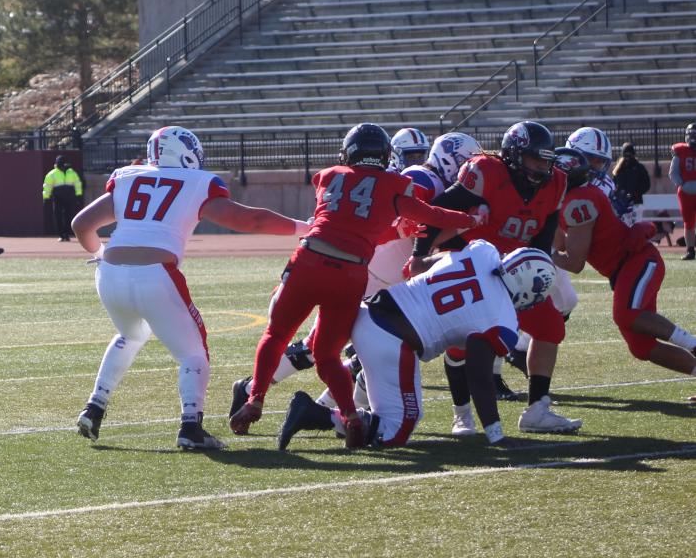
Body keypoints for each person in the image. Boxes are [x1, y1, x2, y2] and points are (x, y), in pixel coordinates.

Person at [231, 124, 477, 445]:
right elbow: (430, 215)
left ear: (349, 153)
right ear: (386, 155)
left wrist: (395, 231)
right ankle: (348, 414)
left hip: (309, 259)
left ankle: (255, 398)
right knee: (328, 355)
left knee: (277, 334)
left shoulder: (328, 175)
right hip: (351, 272)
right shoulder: (395, 184)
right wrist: (471, 219)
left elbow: (343, 222)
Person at [72, 126, 308, 451]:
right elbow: (250, 221)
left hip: (109, 274)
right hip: (157, 273)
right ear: (187, 153)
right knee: (193, 352)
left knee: (130, 335)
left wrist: (99, 253)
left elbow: (81, 225)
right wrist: (304, 227)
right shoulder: (197, 182)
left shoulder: (127, 177)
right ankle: (191, 427)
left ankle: (94, 408)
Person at [278, 242, 554, 451]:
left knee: (383, 390)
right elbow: (479, 375)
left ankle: (353, 403)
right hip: (392, 339)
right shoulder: (503, 319)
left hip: (369, 309)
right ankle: (317, 414)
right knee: (397, 431)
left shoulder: (483, 251)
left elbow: (421, 265)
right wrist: (495, 434)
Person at [412, 120, 579, 435]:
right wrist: (418, 255)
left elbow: (544, 236)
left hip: (515, 271)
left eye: (546, 160)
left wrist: (537, 266)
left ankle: (538, 409)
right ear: (515, 155)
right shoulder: (487, 172)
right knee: (462, 343)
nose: (542, 167)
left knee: (550, 326)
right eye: (535, 159)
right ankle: (462, 415)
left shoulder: (555, 182)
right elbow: (437, 210)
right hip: (472, 267)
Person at [555, 147, 696, 386]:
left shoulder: (579, 200)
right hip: (625, 269)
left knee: (627, 314)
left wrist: (536, 253)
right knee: (641, 346)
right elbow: (559, 243)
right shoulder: (569, 200)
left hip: (638, 261)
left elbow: (574, 262)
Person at [42, 155, 84, 242]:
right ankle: (61, 235)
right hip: (57, 198)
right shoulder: (52, 174)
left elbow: (77, 184)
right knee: (58, 216)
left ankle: (67, 234)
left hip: (69, 197)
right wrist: (46, 197)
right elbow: (47, 186)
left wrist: (78, 196)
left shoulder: (72, 173)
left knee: (68, 216)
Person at [670, 123, 696, 260]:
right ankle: (690, 250)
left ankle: (690, 250)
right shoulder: (680, 151)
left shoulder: (680, 151)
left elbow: (673, 173)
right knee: (688, 223)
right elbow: (673, 173)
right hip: (685, 191)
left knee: (689, 223)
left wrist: (683, 184)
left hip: (685, 191)